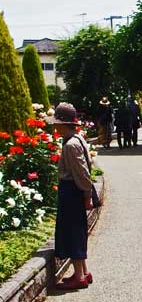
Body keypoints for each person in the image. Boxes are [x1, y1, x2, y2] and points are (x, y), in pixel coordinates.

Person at [46, 103, 94, 290]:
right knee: (77, 232)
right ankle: (83, 271)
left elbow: (81, 173)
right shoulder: (77, 139)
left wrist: (87, 195)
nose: (55, 127)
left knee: (73, 233)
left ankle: (79, 277)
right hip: (75, 191)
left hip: (72, 192)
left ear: (63, 124)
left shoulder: (71, 144)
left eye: (56, 124)